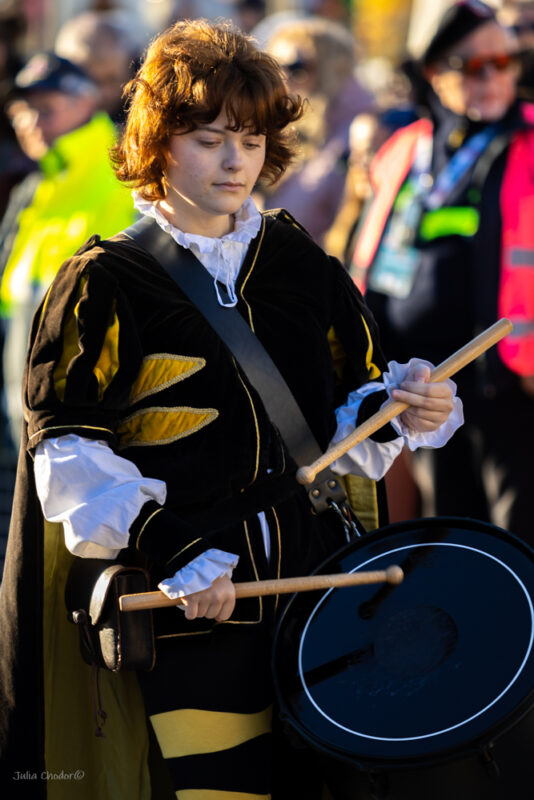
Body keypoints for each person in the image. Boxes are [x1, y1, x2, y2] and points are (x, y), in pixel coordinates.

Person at [0, 19, 461, 800]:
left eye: (249, 139)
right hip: (192, 615)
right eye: (210, 138)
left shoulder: (298, 258)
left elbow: (353, 400)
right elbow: (66, 448)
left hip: (323, 601)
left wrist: (409, 405)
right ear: (158, 142)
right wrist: (171, 551)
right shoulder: (102, 281)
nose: (235, 160)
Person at [350, 0, 534, 542]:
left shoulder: (529, 140)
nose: (495, 77)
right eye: (475, 66)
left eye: (506, 62)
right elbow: (372, 255)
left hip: (510, 382)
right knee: (450, 534)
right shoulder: (405, 147)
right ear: (434, 72)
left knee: (517, 538)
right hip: (422, 385)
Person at [0, 52, 135, 450]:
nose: (30, 122)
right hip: (30, 398)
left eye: (45, 109)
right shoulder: (40, 181)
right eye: (21, 112)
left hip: (88, 400)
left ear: (86, 103)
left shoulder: (123, 166)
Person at [259, 16, 375, 246]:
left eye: (295, 67)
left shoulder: (363, 134)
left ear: (332, 70)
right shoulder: (287, 126)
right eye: (274, 67)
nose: (283, 79)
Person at [54, 10, 144, 128]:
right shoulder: (52, 122)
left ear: (130, 70)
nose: (104, 93)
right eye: (93, 81)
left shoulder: (144, 110)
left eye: (112, 80)